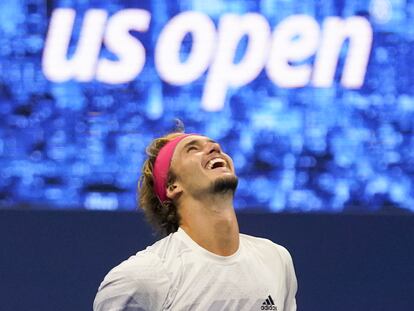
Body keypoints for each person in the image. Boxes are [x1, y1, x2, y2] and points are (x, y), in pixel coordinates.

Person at [94, 129, 297, 311]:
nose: (215, 147)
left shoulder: (276, 259)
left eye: (214, 145)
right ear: (172, 186)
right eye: (192, 149)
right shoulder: (140, 278)